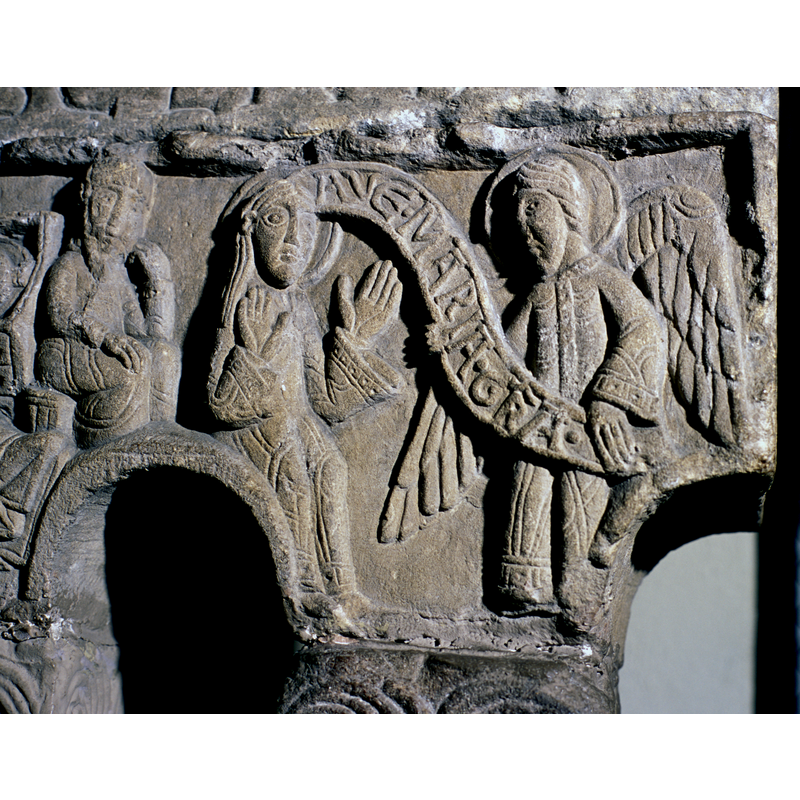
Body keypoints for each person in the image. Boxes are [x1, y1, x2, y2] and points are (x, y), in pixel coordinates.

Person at [208, 177, 402, 610]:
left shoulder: (300, 306)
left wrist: (357, 340)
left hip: (298, 423)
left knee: (330, 466)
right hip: (254, 433)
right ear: (252, 230)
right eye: (278, 220)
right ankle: (300, 585)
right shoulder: (237, 302)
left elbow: (324, 399)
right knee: (293, 470)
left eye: (307, 228)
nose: (294, 237)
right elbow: (219, 405)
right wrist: (252, 351)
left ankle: (341, 586)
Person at [498, 155, 667, 612]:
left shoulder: (604, 280)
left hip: (585, 436)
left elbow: (643, 329)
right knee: (526, 500)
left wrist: (610, 400)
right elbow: (501, 356)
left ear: (570, 209)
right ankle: (526, 585)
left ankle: (580, 590)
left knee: (581, 516)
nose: (523, 228)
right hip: (534, 432)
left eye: (533, 210)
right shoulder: (534, 296)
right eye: (516, 218)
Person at [35, 156, 180, 448]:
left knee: (165, 355)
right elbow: (59, 314)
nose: (118, 217)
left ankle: (160, 435)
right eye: (108, 199)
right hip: (65, 352)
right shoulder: (71, 264)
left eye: (133, 207)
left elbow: (148, 335)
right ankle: (111, 443)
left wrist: (158, 281)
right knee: (129, 372)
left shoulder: (117, 276)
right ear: (87, 202)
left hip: (100, 350)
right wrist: (105, 337)